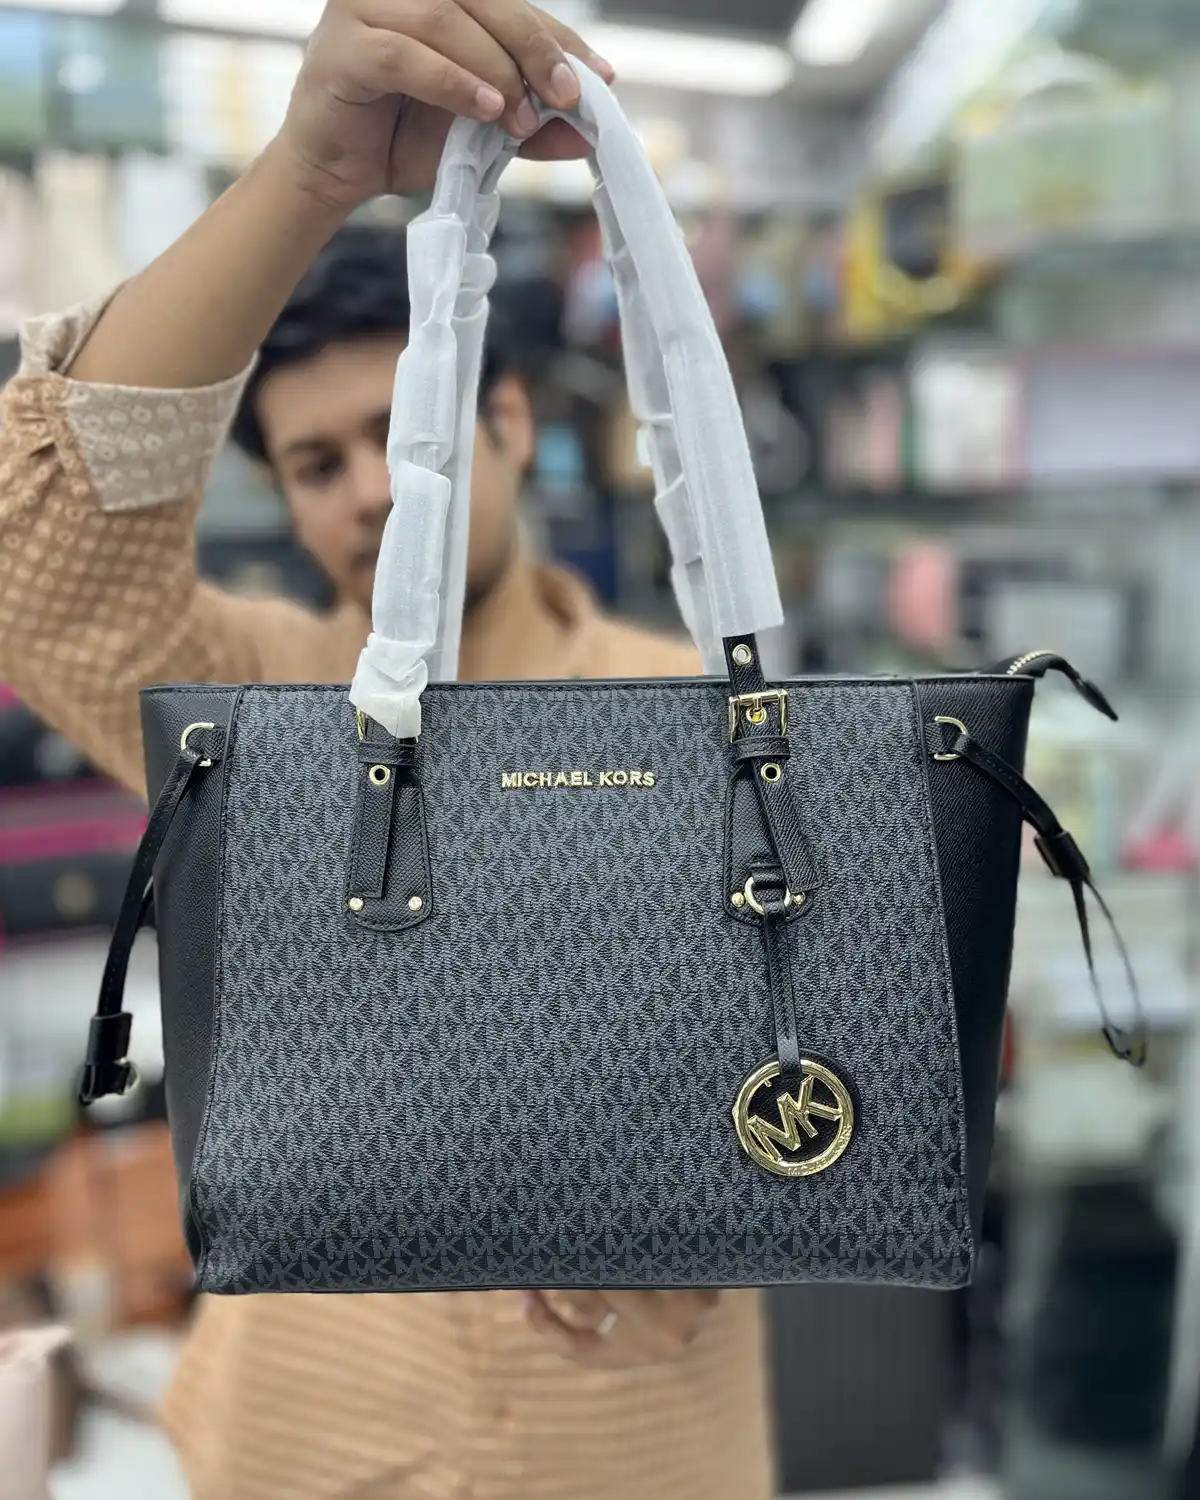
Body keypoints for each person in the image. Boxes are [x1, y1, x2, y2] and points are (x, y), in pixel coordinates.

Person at [0, 1, 775, 1496]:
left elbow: (813, 1079)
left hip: (633, 1442)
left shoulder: (706, 724)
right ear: (288, 499)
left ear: (507, 419)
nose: (372, 488)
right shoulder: (255, 718)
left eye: (402, 428)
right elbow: (41, 568)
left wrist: (728, 1240)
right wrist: (313, 171)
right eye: (318, 461)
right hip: (311, 1439)